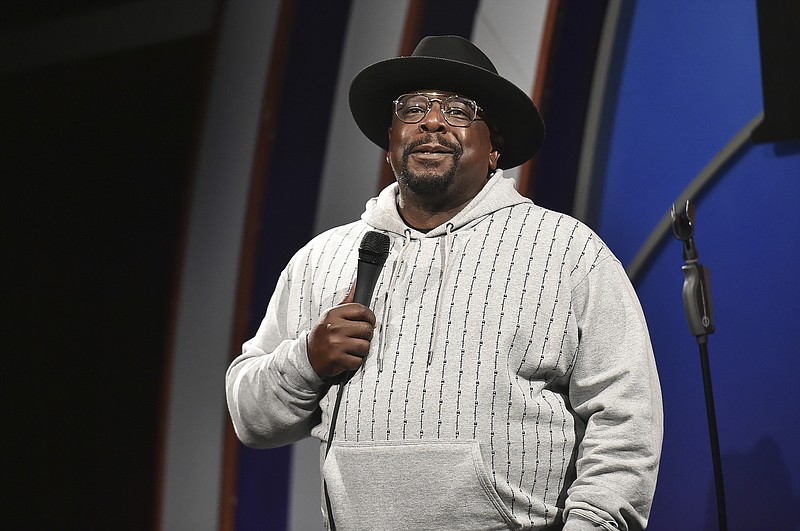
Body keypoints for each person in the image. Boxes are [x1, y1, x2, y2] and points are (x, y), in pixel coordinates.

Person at [226, 35, 663, 531]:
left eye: (459, 110)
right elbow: (250, 418)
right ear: (390, 141)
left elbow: (627, 418)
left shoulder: (568, 252)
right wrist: (306, 360)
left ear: (494, 147)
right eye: (412, 108)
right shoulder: (323, 259)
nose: (431, 121)